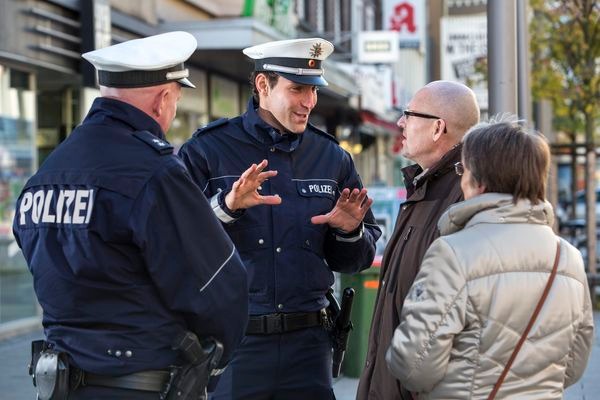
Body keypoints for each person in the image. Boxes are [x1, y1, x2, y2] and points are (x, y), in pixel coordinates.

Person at [12, 31, 248, 400]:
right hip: (141, 383)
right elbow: (221, 289)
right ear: (162, 100)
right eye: (176, 99)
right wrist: (211, 369)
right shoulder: (154, 171)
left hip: (60, 384)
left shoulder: (48, 173)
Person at [178, 37, 381, 399]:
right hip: (235, 347)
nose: (309, 102)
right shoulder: (207, 150)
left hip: (310, 347)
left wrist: (350, 231)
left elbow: (358, 258)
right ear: (262, 85)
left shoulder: (332, 158)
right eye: (297, 89)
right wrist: (225, 207)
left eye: (314, 90)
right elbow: (175, 243)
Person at [386, 118, 595, 399]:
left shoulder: (452, 253)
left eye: (463, 168)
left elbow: (413, 365)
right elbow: (575, 364)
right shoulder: (567, 257)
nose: (461, 178)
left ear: (479, 180)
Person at [357, 80, 481, 400]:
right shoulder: (425, 187)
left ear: (438, 128)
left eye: (409, 115)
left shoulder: (465, 197)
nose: (400, 123)